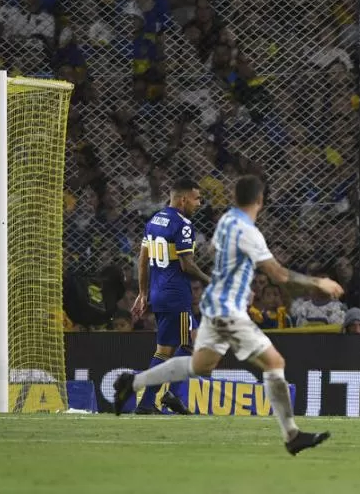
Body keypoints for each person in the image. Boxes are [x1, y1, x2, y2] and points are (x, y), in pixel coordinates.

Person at [114, 174, 344, 456]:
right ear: (260, 200)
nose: (199, 204)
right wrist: (319, 283)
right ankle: (292, 435)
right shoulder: (248, 232)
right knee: (275, 362)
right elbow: (279, 274)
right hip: (226, 309)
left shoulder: (224, 223)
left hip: (211, 304)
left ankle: (134, 383)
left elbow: (215, 252)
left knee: (200, 365)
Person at [131, 178, 212, 415]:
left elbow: (143, 261)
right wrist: (211, 281)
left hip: (159, 293)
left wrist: (143, 293)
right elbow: (187, 265)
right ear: (183, 198)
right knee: (168, 350)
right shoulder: (183, 224)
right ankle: (150, 401)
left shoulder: (154, 220)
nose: (199, 203)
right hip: (176, 294)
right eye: (197, 199)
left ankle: (171, 396)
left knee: (190, 343)